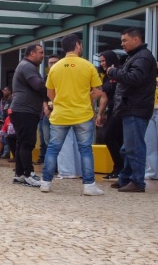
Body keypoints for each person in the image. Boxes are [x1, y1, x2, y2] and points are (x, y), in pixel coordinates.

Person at [39, 34, 103, 195]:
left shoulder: (55, 68)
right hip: (83, 114)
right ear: (77, 45)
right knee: (85, 150)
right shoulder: (88, 66)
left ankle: (45, 183)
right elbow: (98, 92)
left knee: (53, 149)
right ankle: (89, 186)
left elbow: (49, 93)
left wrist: (61, 101)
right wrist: (84, 97)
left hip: (60, 115)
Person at [107, 27, 157, 193]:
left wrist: (114, 72)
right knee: (127, 147)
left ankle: (137, 181)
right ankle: (126, 178)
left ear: (136, 39)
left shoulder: (142, 57)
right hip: (132, 107)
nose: (122, 44)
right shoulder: (137, 56)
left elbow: (135, 78)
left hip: (136, 108)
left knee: (134, 147)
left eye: (125, 40)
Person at [9, 44, 47, 187]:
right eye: (40, 52)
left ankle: (19, 175)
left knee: (22, 143)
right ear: (32, 53)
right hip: (25, 111)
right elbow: (38, 85)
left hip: (23, 110)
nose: (43, 55)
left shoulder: (25, 66)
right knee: (27, 143)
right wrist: (52, 82)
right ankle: (28, 174)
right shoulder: (27, 66)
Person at [95, 50, 123, 181]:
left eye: (104, 60)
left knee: (109, 137)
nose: (102, 63)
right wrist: (99, 114)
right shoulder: (106, 76)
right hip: (111, 110)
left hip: (122, 110)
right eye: (100, 61)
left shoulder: (120, 72)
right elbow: (104, 97)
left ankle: (120, 167)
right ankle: (118, 168)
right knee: (113, 138)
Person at [36, 55, 60, 164]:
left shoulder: (63, 77)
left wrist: (51, 107)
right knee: (46, 138)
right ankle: (50, 163)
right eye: (51, 63)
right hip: (47, 112)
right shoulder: (46, 78)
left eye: (55, 62)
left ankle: (57, 164)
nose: (53, 64)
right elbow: (43, 96)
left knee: (58, 140)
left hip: (60, 111)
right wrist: (46, 108)